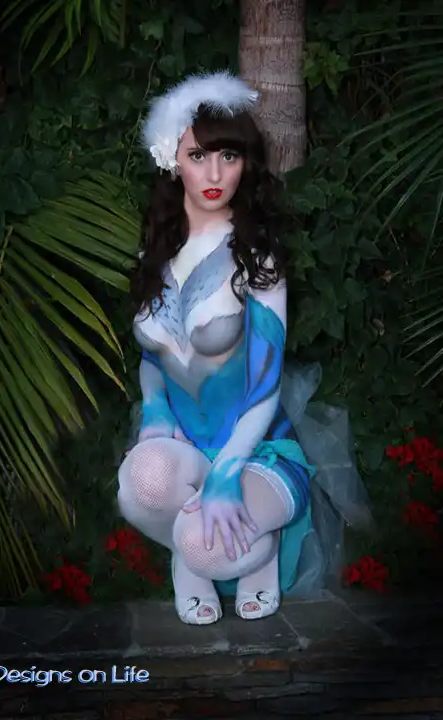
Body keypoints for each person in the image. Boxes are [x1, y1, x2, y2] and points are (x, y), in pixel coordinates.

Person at [117, 71, 371, 625]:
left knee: (207, 545)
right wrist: (156, 410)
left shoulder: (257, 256)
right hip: (188, 446)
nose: (214, 175)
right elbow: (154, 354)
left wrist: (228, 471)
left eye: (228, 157)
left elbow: (266, 381)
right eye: (198, 156)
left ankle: (247, 552)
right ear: (171, 159)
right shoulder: (156, 251)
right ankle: (192, 557)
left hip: (257, 450)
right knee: (140, 485)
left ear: (244, 164)